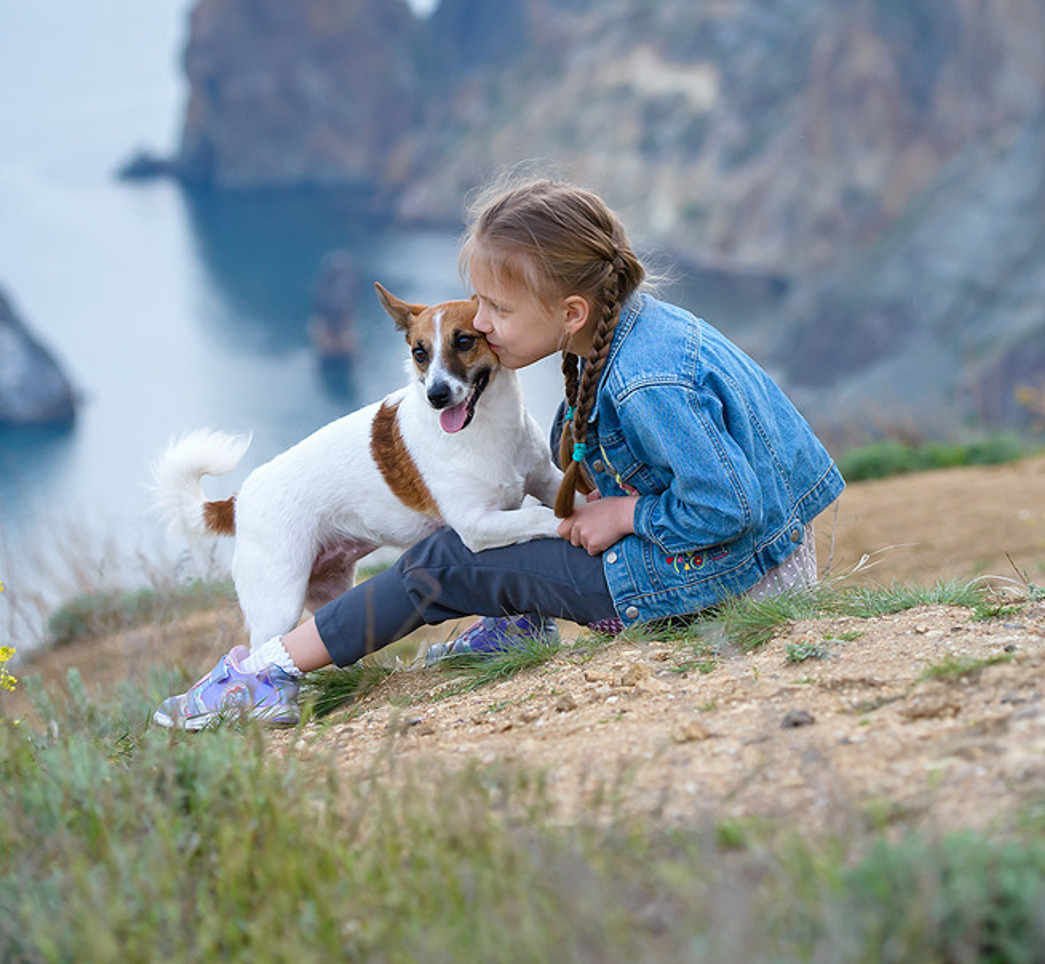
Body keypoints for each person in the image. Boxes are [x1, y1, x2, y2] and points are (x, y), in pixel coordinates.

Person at [153, 179, 844, 730]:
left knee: (447, 559)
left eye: (495, 309)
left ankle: (262, 672)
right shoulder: (639, 333)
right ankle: (517, 624)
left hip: (719, 582)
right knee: (546, 472)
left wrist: (628, 514)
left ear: (570, 312)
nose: (478, 323)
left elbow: (729, 505)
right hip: (752, 562)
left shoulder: (645, 380)